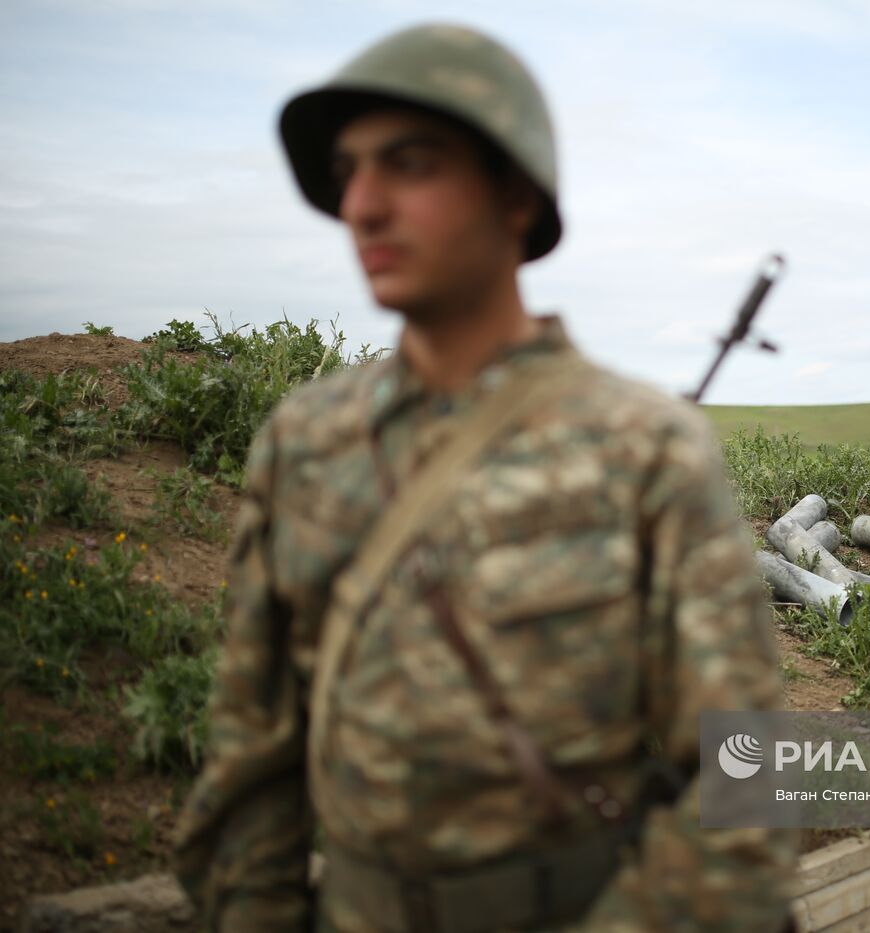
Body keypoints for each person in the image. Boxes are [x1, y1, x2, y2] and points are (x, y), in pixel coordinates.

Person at [172, 22, 796, 933]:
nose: (363, 204)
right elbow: (249, 764)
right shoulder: (304, 443)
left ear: (514, 194)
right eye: (349, 170)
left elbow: (744, 773)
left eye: (411, 163)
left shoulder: (643, 449)